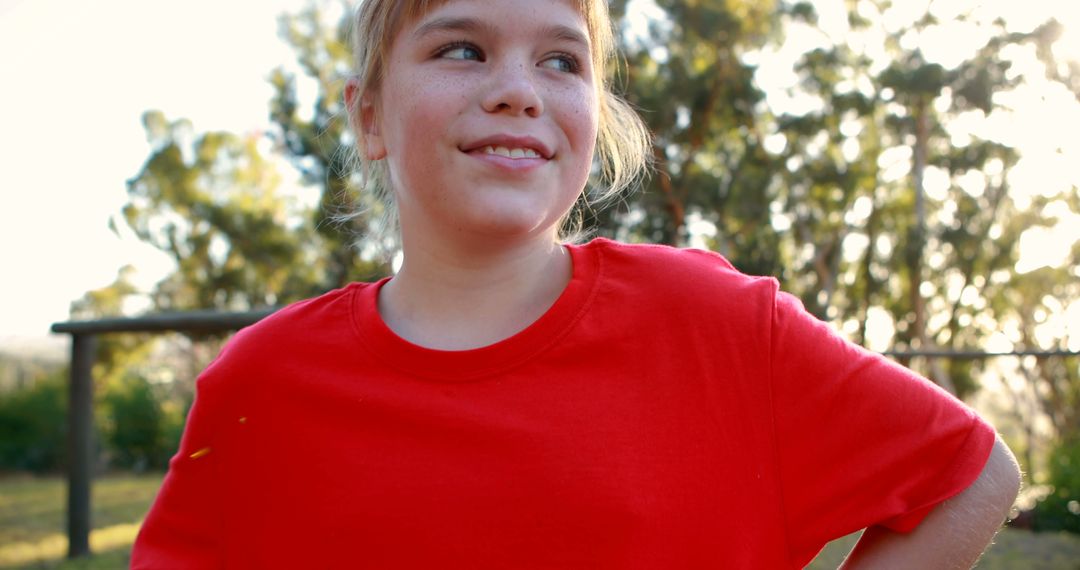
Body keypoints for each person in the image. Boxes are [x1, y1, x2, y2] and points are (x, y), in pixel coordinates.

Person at [131, 0, 1021, 567]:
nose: (518, 89)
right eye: (462, 48)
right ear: (368, 115)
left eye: (562, 61)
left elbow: (969, 472)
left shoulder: (718, 326)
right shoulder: (265, 383)